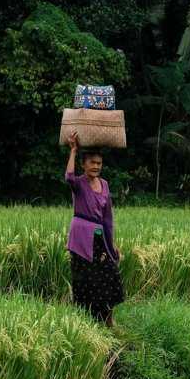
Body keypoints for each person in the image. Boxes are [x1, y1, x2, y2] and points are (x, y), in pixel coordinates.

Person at [64, 130, 125, 327]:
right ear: (84, 164)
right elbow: (68, 177)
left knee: (110, 275)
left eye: (99, 163)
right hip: (82, 238)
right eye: (92, 163)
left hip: (100, 239)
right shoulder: (79, 183)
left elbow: (107, 218)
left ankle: (108, 320)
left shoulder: (105, 185)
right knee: (84, 279)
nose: (96, 166)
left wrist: (112, 244)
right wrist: (73, 150)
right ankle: (85, 321)